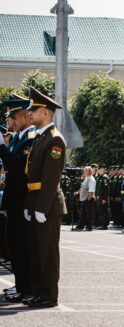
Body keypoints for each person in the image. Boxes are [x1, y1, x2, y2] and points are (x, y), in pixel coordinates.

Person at [23, 86, 67, 308]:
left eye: (34, 110)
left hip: (47, 205)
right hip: (36, 202)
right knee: (37, 251)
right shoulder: (40, 137)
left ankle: (49, 295)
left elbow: (50, 178)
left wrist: (41, 207)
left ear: (46, 113)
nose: (29, 113)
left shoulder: (54, 140)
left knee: (48, 253)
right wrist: (29, 205)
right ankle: (40, 292)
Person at [0, 95, 36, 303]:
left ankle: (26, 287)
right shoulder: (16, 138)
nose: (9, 121)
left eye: (12, 117)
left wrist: (1, 148)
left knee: (22, 246)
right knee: (13, 244)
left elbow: (15, 166)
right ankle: (20, 285)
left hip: (22, 199)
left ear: (24, 116)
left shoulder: (30, 138)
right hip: (13, 199)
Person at [74, 167, 96, 231]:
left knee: (89, 214)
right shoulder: (86, 178)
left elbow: (91, 191)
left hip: (88, 199)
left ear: (88, 172)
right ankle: (80, 226)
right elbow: (82, 188)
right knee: (83, 214)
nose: (84, 172)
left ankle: (89, 227)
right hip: (84, 199)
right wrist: (77, 192)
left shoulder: (91, 179)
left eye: (85, 171)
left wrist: (88, 199)